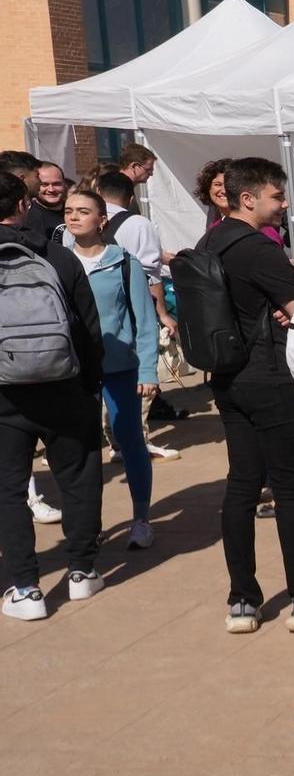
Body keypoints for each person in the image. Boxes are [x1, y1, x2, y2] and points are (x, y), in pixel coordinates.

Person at [195, 156, 294, 636]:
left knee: (241, 485)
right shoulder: (258, 248)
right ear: (248, 198)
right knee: (292, 491)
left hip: (228, 377)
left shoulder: (210, 239)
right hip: (273, 379)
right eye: (277, 196)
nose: (284, 204)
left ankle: (242, 601)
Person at [0, 170, 105, 621]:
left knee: (7, 492)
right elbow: (89, 327)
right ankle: (82, 572)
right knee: (78, 480)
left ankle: (25, 587)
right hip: (66, 387)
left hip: (4, 398)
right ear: (23, 206)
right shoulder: (59, 257)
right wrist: (90, 384)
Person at [62, 187, 158, 550]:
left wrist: (148, 371)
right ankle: (90, 523)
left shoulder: (123, 261)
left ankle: (141, 518)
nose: (73, 216)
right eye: (69, 211)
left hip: (119, 367)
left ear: (102, 219)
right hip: (73, 371)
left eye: (83, 211)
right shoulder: (59, 261)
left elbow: (143, 320)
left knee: (129, 440)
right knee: (83, 448)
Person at [86, 170, 180, 455]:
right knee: (137, 383)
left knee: (107, 386)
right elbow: (151, 276)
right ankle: (134, 440)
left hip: (96, 319)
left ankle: (115, 440)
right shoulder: (139, 223)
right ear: (130, 196)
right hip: (131, 315)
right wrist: (162, 314)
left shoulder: (74, 232)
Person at [1, 153, 60, 254]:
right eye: (37, 176)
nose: (40, 181)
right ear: (21, 178)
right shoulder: (33, 215)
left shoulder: (36, 211)